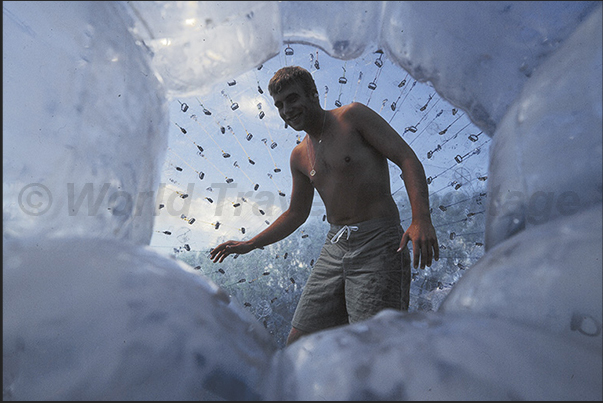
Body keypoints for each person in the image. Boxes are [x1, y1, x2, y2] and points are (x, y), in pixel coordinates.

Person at [210, 66, 438, 346]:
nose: (287, 110)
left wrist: (421, 219)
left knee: (374, 348)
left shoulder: (352, 117)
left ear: (314, 94)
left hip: (379, 242)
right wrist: (251, 243)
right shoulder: (299, 156)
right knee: (298, 343)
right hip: (336, 246)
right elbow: (296, 214)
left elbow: (406, 158)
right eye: (279, 105)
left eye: (292, 99)